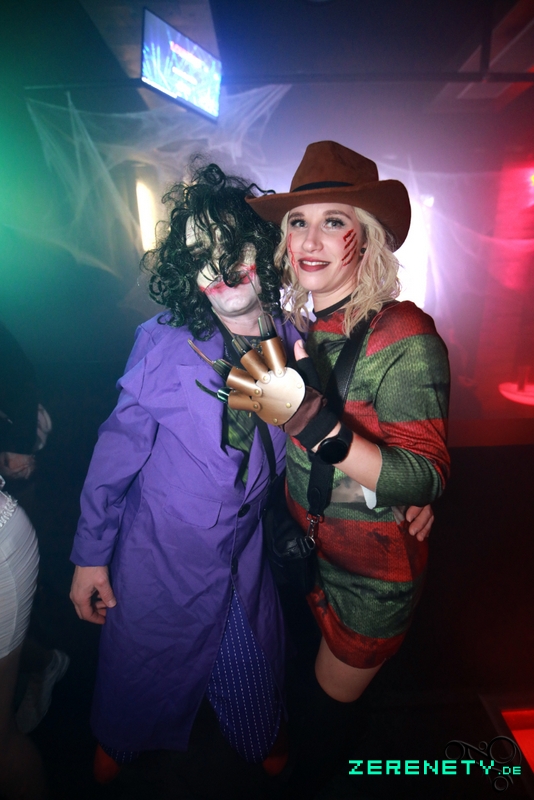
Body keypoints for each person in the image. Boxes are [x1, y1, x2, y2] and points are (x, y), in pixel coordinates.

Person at [69, 162, 434, 786]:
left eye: (231, 244)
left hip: (245, 557)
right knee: (139, 671)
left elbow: (326, 446)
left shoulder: (295, 339)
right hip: (159, 559)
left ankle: (262, 732)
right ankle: (121, 739)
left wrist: (393, 491)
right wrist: (89, 556)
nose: (219, 265)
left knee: (252, 674)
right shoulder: (162, 341)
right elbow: (114, 456)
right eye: (199, 255)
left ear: (262, 253)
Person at [247, 141, 450, 792]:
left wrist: (316, 426)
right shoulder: (300, 329)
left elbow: (424, 475)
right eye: (298, 222)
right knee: (303, 692)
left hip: (370, 581)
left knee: (320, 726)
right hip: (304, 554)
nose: (310, 240)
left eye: (333, 221)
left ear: (366, 238)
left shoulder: (405, 335)